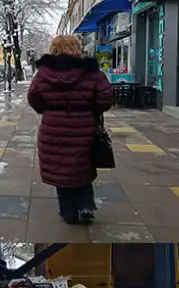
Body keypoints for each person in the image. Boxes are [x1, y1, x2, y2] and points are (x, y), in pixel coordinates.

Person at [27, 35, 114, 225]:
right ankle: (86, 205)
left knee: (61, 169)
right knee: (82, 166)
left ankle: (68, 213)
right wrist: (91, 109)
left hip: (53, 128)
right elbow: (105, 97)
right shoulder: (91, 71)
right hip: (84, 126)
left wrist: (48, 109)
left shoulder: (43, 72)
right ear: (76, 48)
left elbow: (33, 97)